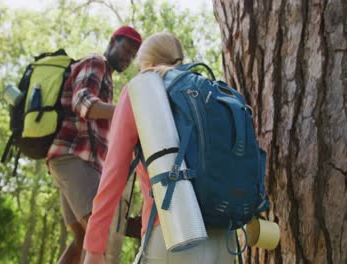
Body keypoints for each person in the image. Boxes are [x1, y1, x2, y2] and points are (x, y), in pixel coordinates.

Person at [83, 32, 236, 264]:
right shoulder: (210, 93)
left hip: (175, 232)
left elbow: (114, 174)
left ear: (148, 65)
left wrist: (94, 246)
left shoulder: (143, 90)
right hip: (225, 240)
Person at [47, 26, 142, 264]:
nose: (127, 59)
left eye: (132, 56)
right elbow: (84, 104)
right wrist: (131, 112)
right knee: (103, 234)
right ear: (112, 41)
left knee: (82, 240)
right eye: (126, 50)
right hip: (75, 159)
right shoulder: (95, 61)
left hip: (69, 161)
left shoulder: (106, 76)